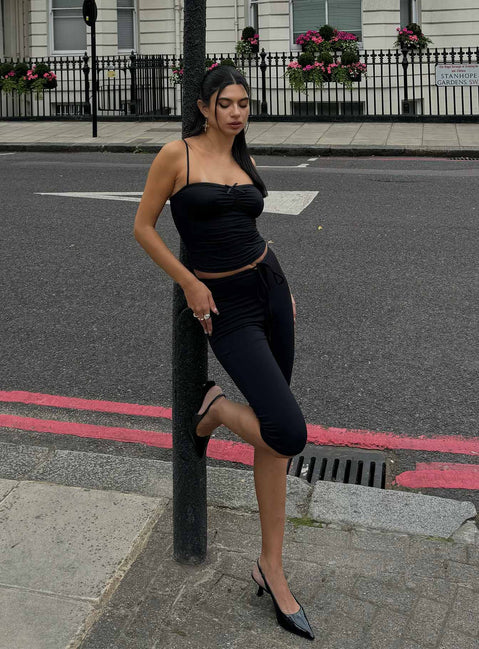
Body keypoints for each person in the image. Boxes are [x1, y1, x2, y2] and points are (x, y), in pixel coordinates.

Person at [133, 64, 314, 641]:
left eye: (244, 103)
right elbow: (143, 227)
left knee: (272, 436)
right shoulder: (176, 156)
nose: (237, 113)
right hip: (225, 307)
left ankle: (271, 566)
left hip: (269, 288)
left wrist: (281, 284)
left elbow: (245, 224)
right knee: (286, 432)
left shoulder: (242, 154)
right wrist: (189, 282)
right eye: (227, 103)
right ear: (204, 106)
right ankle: (212, 408)